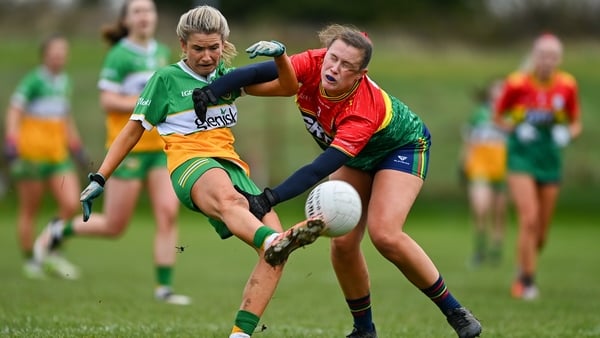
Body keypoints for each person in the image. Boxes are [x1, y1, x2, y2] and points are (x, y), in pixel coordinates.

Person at [195, 25, 482, 338]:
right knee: (342, 244)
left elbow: (320, 168)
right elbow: (256, 73)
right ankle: (364, 330)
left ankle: (456, 312)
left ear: (361, 73)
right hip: (357, 156)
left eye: (347, 66)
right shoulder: (315, 62)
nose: (335, 68)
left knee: (385, 234)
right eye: (333, 58)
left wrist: (268, 198)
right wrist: (211, 91)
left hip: (402, 147)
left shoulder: (362, 110)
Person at [76, 5, 323, 338]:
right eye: (198, 48)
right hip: (190, 165)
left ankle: (240, 333)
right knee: (232, 202)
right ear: (182, 45)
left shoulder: (226, 76)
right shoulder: (165, 79)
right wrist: (101, 177)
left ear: (223, 44)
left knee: (275, 258)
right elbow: (133, 130)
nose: (207, 56)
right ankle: (275, 241)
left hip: (232, 165)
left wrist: (281, 57)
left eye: (213, 47)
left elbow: (287, 87)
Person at [33, 0, 189, 305]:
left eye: (149, 11)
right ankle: (58, 229)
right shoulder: (119, 55)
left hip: (160, 147)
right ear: (126, 20)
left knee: (168, 214)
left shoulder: (159, 52)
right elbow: (107, 101)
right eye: (137, 12)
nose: (145, 17)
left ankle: (164, 289)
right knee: (114, 226)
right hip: (128, 149)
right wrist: (144, 103)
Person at [493, 33, 582, 300]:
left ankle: (524, 265)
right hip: (521, 158)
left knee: (541, 232)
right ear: (534, 56)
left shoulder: (567, 85)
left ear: (559, 59)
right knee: (528, 218)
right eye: (542, 55)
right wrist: (516, 128)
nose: (547, 61)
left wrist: (567, 134)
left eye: (552, 56)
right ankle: (526, 281)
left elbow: (576, 123)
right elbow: (497, 117)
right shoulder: (517, 83)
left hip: (550, 160)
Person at [3, 34, 86, 280]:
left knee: (71, 204)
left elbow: (65, 117)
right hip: (32, 156)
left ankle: (50, 251)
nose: (59, 56)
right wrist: (11, 141)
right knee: (30, 209)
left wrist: (76, 145)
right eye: (54, 52)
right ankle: (31, 261)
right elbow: (14, 111)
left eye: (63, 52)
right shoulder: (33, 81)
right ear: (45, 54)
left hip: (58, 155)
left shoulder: (65, 82)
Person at [460, 79, 507, 267]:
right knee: (480, 208)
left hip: (503, 167)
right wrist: (463, 163)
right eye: (497, 89)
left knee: (499, 211)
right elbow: (468, 142)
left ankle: (496, 248)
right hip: (479, 167)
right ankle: (480, 249)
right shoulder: (478, 115)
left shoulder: (511, 115)